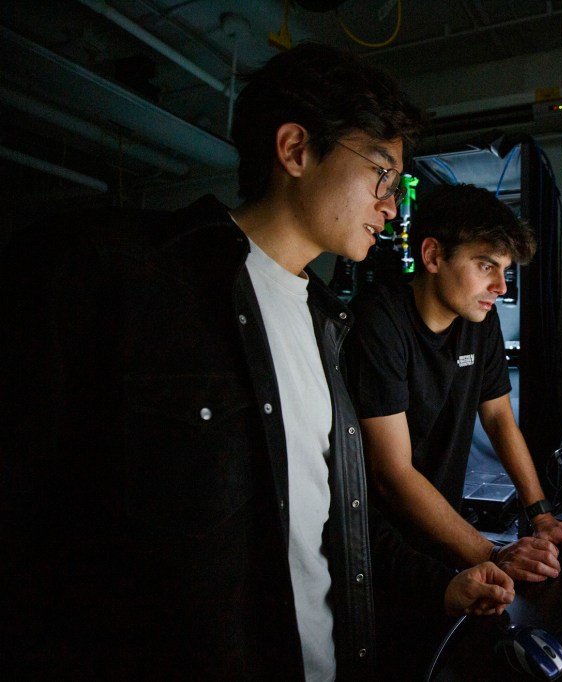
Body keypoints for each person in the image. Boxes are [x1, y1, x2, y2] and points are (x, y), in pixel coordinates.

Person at [0, 44, 513, 681]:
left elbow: (331, 521)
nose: (392, 205)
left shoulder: (331, 325)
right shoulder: (119, 278)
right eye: (381, 174)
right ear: (296, 150)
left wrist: (443, 584)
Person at [346, 183, 562, 585]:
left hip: (442, 532)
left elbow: (499, 419)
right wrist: (492, 553)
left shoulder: (480, 322)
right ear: (433, 255)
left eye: (505, 271)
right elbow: (392, 475)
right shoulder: (379, 322)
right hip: (377, 546)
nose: (502, 287)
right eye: (486, 266)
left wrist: (541, 517)